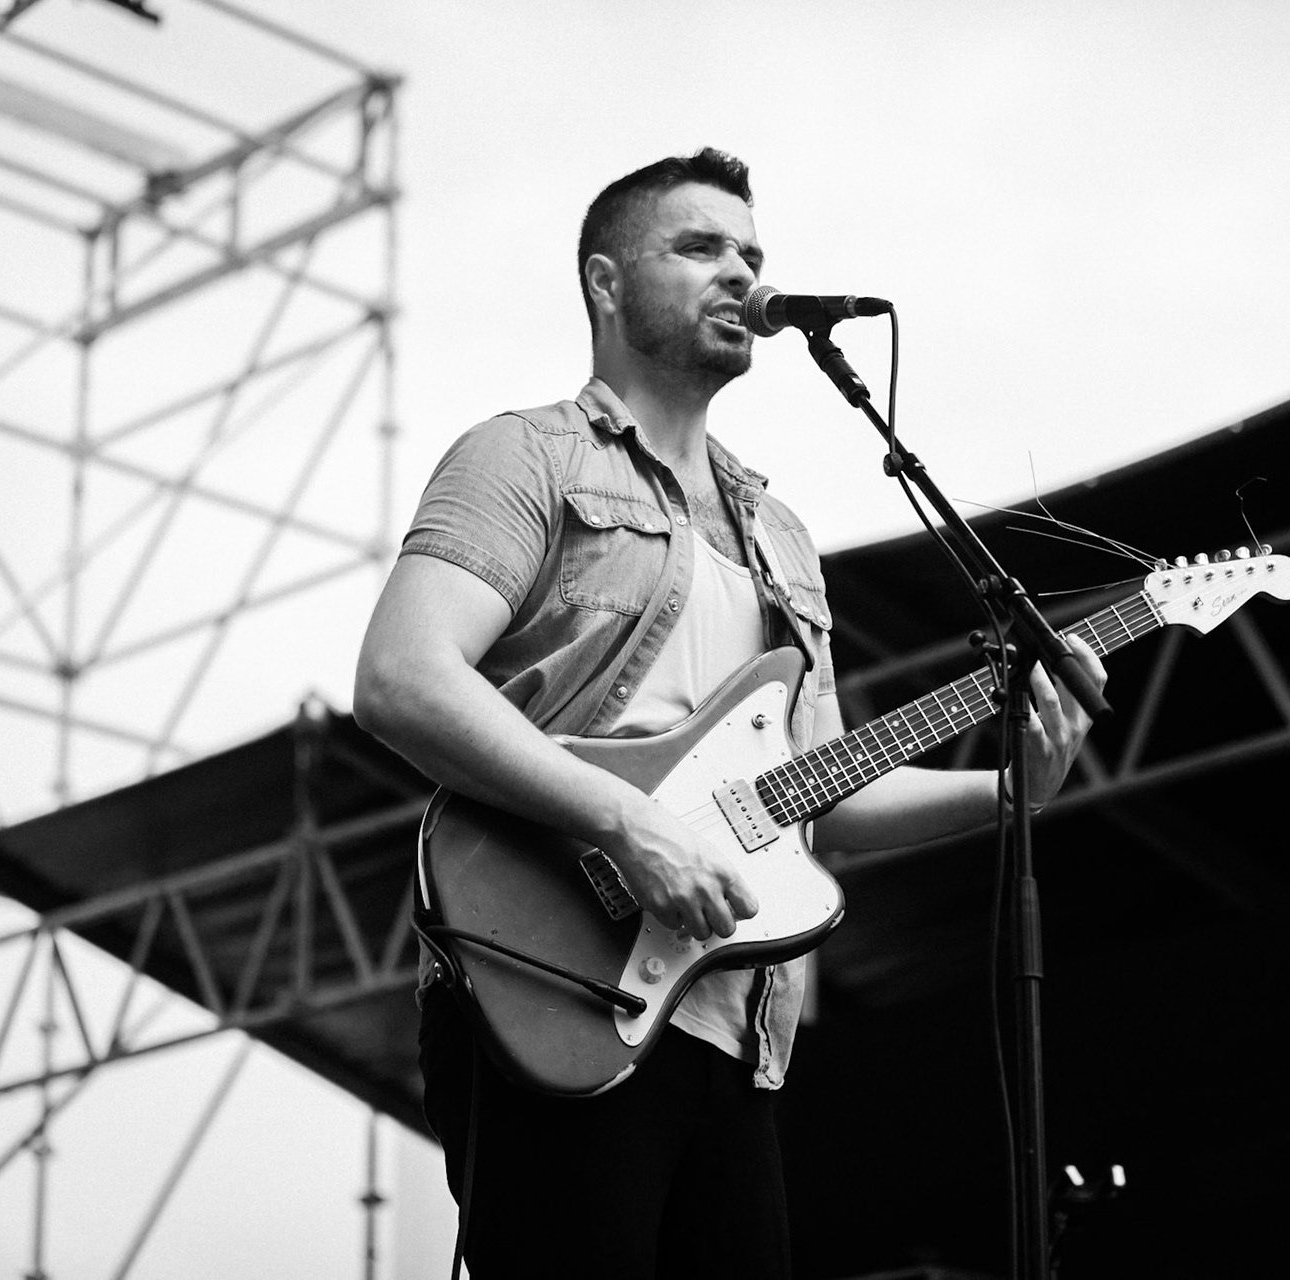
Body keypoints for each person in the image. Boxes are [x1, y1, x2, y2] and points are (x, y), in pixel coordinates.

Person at [353, 147, 1104, 1279]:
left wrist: (1011, 788)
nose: (741, 271)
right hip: (545, 982)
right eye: (700, 247)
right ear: (606, 282)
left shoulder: (780, 535)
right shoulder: (527, 456)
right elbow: (404, 675)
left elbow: (817, 796)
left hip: (729, 1024)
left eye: (752, 253)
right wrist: (625, 821)